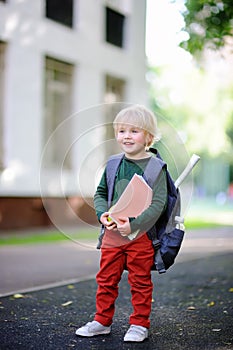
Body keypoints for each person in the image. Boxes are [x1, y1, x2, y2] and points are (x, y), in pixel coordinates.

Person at [75, 104, 167, 342]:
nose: (127, 136)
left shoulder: (156, 167)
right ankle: (102, 321)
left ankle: (139, 324)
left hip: (141, 236)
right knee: (106, 279)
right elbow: (100, 193)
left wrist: (134, 224)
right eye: (122, 131)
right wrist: (102, 214)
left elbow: (158, 204)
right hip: (113, 235)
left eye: (134, 131)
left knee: (140, 281)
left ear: (148, 136)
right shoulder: (114, 163)